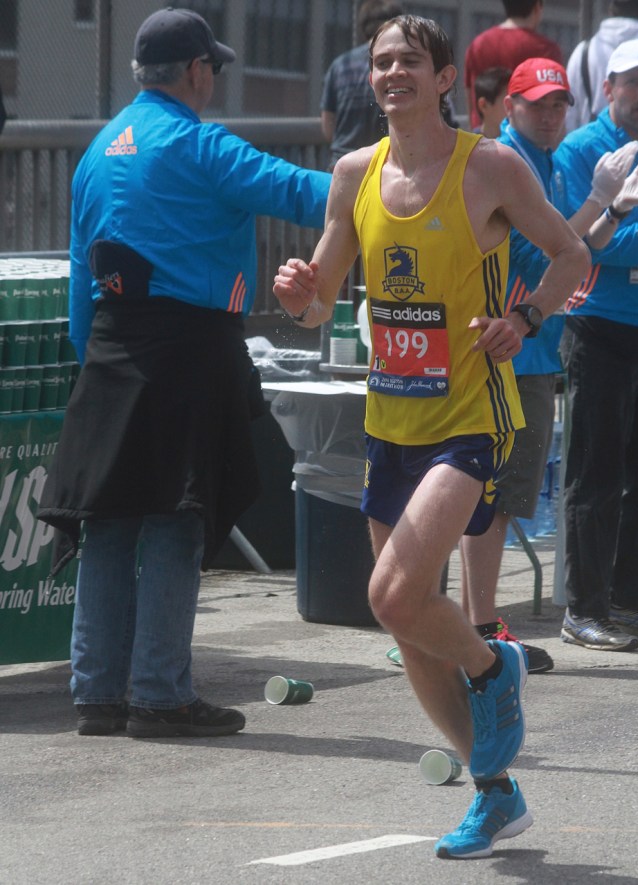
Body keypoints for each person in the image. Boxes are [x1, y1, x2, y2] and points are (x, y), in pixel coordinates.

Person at [274, 15, 590, 860]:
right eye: (381, 62)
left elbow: (569, 255)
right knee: (411, 623)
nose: (392, 74)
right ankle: (494, 795)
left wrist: (524, 317)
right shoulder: (353, 174)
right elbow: (318, 302)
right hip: (390, 422)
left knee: (390, 595)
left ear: (445, 77)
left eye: (410, 60)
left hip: (470, 418)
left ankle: (493, 666)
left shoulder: (487, 165)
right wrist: (297, 288)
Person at [37, 7, 330, 739]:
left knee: (109, 520)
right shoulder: (201, 145)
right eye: (214, 69)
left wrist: (92, 361)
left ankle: (98, 693)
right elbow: (305, 193)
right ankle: (161, 694)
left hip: (109, 343)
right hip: (190, 346)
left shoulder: (98, 149)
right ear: (197, 71)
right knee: (175, 517)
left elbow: (80, 277)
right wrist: (401, 182)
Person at [459, 57, 638, 675]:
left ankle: (485, 627)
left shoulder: (547, 160)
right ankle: (466, 626)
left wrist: (610, 213)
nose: (548, 115)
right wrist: (614, 215)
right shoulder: (512, 160)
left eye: (556, 104)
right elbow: (545, 256)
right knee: (492, 490)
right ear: (506, 106)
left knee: (502, 497)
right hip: (513, 342)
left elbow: (571, 246)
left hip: (533, 346)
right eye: (535, 104)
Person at [557, 36, 638, 651]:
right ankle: (584, 608)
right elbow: (593, 244)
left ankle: (631, 602)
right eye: (632, 82)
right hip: (598, 326)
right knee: (595, 473)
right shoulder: (583, 152)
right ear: (608, 89)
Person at [565, 0, 638, 133]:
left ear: (610, 9)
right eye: (632, 82)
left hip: (590, 149)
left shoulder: (584, 51)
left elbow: (569, 115)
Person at [320, 0, 403, 171]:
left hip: (340, 165)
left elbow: (327, 126)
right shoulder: (400, 68)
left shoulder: (340, 65)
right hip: (384, 167)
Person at [464, 1, 563, 132]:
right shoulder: (546, 50)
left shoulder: (478, 44)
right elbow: (555, 102)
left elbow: (471, 100)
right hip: (525, 142)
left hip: (482, 139)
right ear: (538, 6)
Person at [473, 66, 511, 138]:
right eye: (507, 101)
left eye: (516, 100)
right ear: (483, 105)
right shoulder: (469, 146)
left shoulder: (523, 144)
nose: (514, 107)